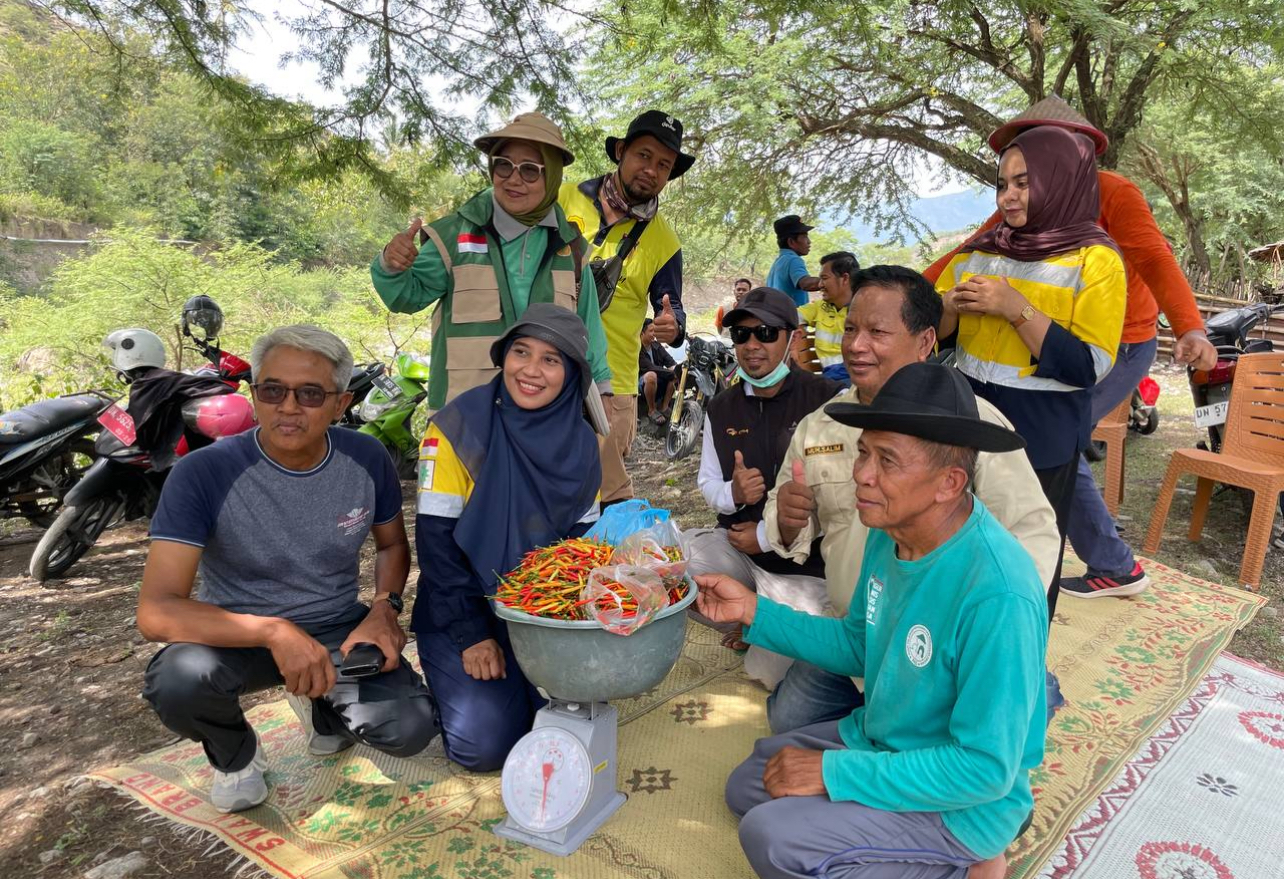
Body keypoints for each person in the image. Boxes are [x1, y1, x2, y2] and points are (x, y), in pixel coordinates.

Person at [708, 363, 1046, 879]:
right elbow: (859, 646)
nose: (862, 473)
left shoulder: (999, 591)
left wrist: (834, 773)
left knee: (771, 837)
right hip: (886, 741)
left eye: (887, 460)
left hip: (963, 802)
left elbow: (985, 768)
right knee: (750, 786)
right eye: (864, 451)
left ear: (949, 483)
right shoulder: (889, 535)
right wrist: (753, 610)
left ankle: (972, 862)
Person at [924, 96, 1216, 600]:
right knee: (1034, 451)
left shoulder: (1113, 197)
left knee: (1055, 442)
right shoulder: (1010, 226)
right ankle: (1103, 562)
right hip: (1011, 370)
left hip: (1118, 342)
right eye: (1012, 170)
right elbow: (965, 253)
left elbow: (1152, 258)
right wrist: (896, 298)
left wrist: (1191, 326)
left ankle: (1079, 566)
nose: (1015, 186)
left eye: (1040, 158)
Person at [137, 325, 438, 813]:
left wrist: (385, 607)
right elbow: (157, 611)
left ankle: (324, 708)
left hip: (337, 628)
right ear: (255, 395)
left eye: (311, 394)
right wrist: (276, 632)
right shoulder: (203, 473)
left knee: (409, 730)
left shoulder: (366, 458)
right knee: (179, 682)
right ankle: (235, 756)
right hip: (236, 636)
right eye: (272, 390)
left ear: (341, 404)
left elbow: (392, 547)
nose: (289, 407)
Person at [762, 266, 1059, 734]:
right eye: (851, 328)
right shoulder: (819, 426)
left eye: (878, 332)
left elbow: (1032, 532)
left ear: (924, 344)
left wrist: (994, 635)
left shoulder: (969, 426)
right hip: (856, 639)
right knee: (788, 721)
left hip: (939, 646)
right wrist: (787, 520)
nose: (856, 345)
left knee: (998, 726)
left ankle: (1014, 682)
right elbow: (783, 531)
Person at [934, 125, 1127, 619]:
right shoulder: (982, 249)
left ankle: (1023, 669)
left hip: (1040, 438)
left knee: (1026, 561)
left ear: (1062, 181)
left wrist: (1015, 308)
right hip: (970, 422)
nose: (1009, 195)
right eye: (1002, 184)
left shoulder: (1096, 261)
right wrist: (950, 307)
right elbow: (941, 335)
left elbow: (1089, 366)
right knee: (960, 548)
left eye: (1024, 182)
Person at [412, 305, 603, 771]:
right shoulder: (457, 430)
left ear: (572, 374)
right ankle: (430, 686)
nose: (531, 371)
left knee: (565, 725)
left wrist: (565, 636)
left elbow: (579, 549)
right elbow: (436, 546)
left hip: (537, 614)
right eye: (521, 352)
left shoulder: (581, 442)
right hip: (464, 608)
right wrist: (473, 635)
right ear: (504, 357)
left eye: (551, 360)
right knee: (486, 746)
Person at [371, 112, 610, 412]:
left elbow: (588, 327)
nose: (513, 179)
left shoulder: (570, 248)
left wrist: (603, 391)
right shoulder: (453, 235)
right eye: (503, 165)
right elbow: (405, 296)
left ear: (552, 176)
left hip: (542, 421)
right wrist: (391, 266)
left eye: (530, 171)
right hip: (463, 422)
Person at [686, 287, 841, 686]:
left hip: (808, 573)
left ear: (791, 336)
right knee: (674, 565)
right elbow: (707, 483)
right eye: (742, 335)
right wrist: (733, 495)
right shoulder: (721, 407)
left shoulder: (826, 402)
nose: (752, 345)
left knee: (766, 675)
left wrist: (764, 535)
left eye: (766, 333)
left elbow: (840, 503)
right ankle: (748, 616)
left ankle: (760, 625)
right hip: (742, 561)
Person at [560, 110, 692, 504]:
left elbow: (674, 310)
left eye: (664, 165)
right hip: (543, 371)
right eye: (644, 156)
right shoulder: (562, 198)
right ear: (621, 151)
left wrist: (673, 324)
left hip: (613, 387)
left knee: (604, 501)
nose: (652, 170)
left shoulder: (665, 241)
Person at [795, 251, 858, 384]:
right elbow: (787, 316)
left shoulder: (864, 309)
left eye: (824, 278)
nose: (819, 285)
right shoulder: (819, 308)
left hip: (856, 373)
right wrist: (791, 347)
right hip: (832, 377)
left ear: (845, 278)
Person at [766, 215, 821, 306]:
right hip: (791, 318)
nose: (809, 241)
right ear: (791, 242)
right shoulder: (793, 260)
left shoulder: (777, 263)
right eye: (804, 237)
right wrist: (833, 281)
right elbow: (806, 284)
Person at [638, 318, 677, 426]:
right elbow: (650, 367)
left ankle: (664, 407)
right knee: (651, 375)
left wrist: (675, 370)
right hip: (641, 383)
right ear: (642, 333)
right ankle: (652, 410)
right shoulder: (637, 349)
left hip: (658, 379)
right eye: (651, 331)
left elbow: (671, 362)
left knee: (676, 371)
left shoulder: (656, 345)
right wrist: (670, 373)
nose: (654, 334)